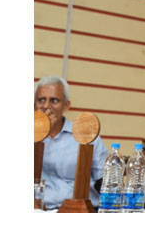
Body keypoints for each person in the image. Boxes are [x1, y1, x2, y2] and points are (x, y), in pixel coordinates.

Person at [34, 75, 108, 210]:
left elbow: (104, 181)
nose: (46, 106)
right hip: (40, 211)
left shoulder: (85, 134)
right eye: (41, 100)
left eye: (54, 100)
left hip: (81, 211)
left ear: (66, 105)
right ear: (34, 105)